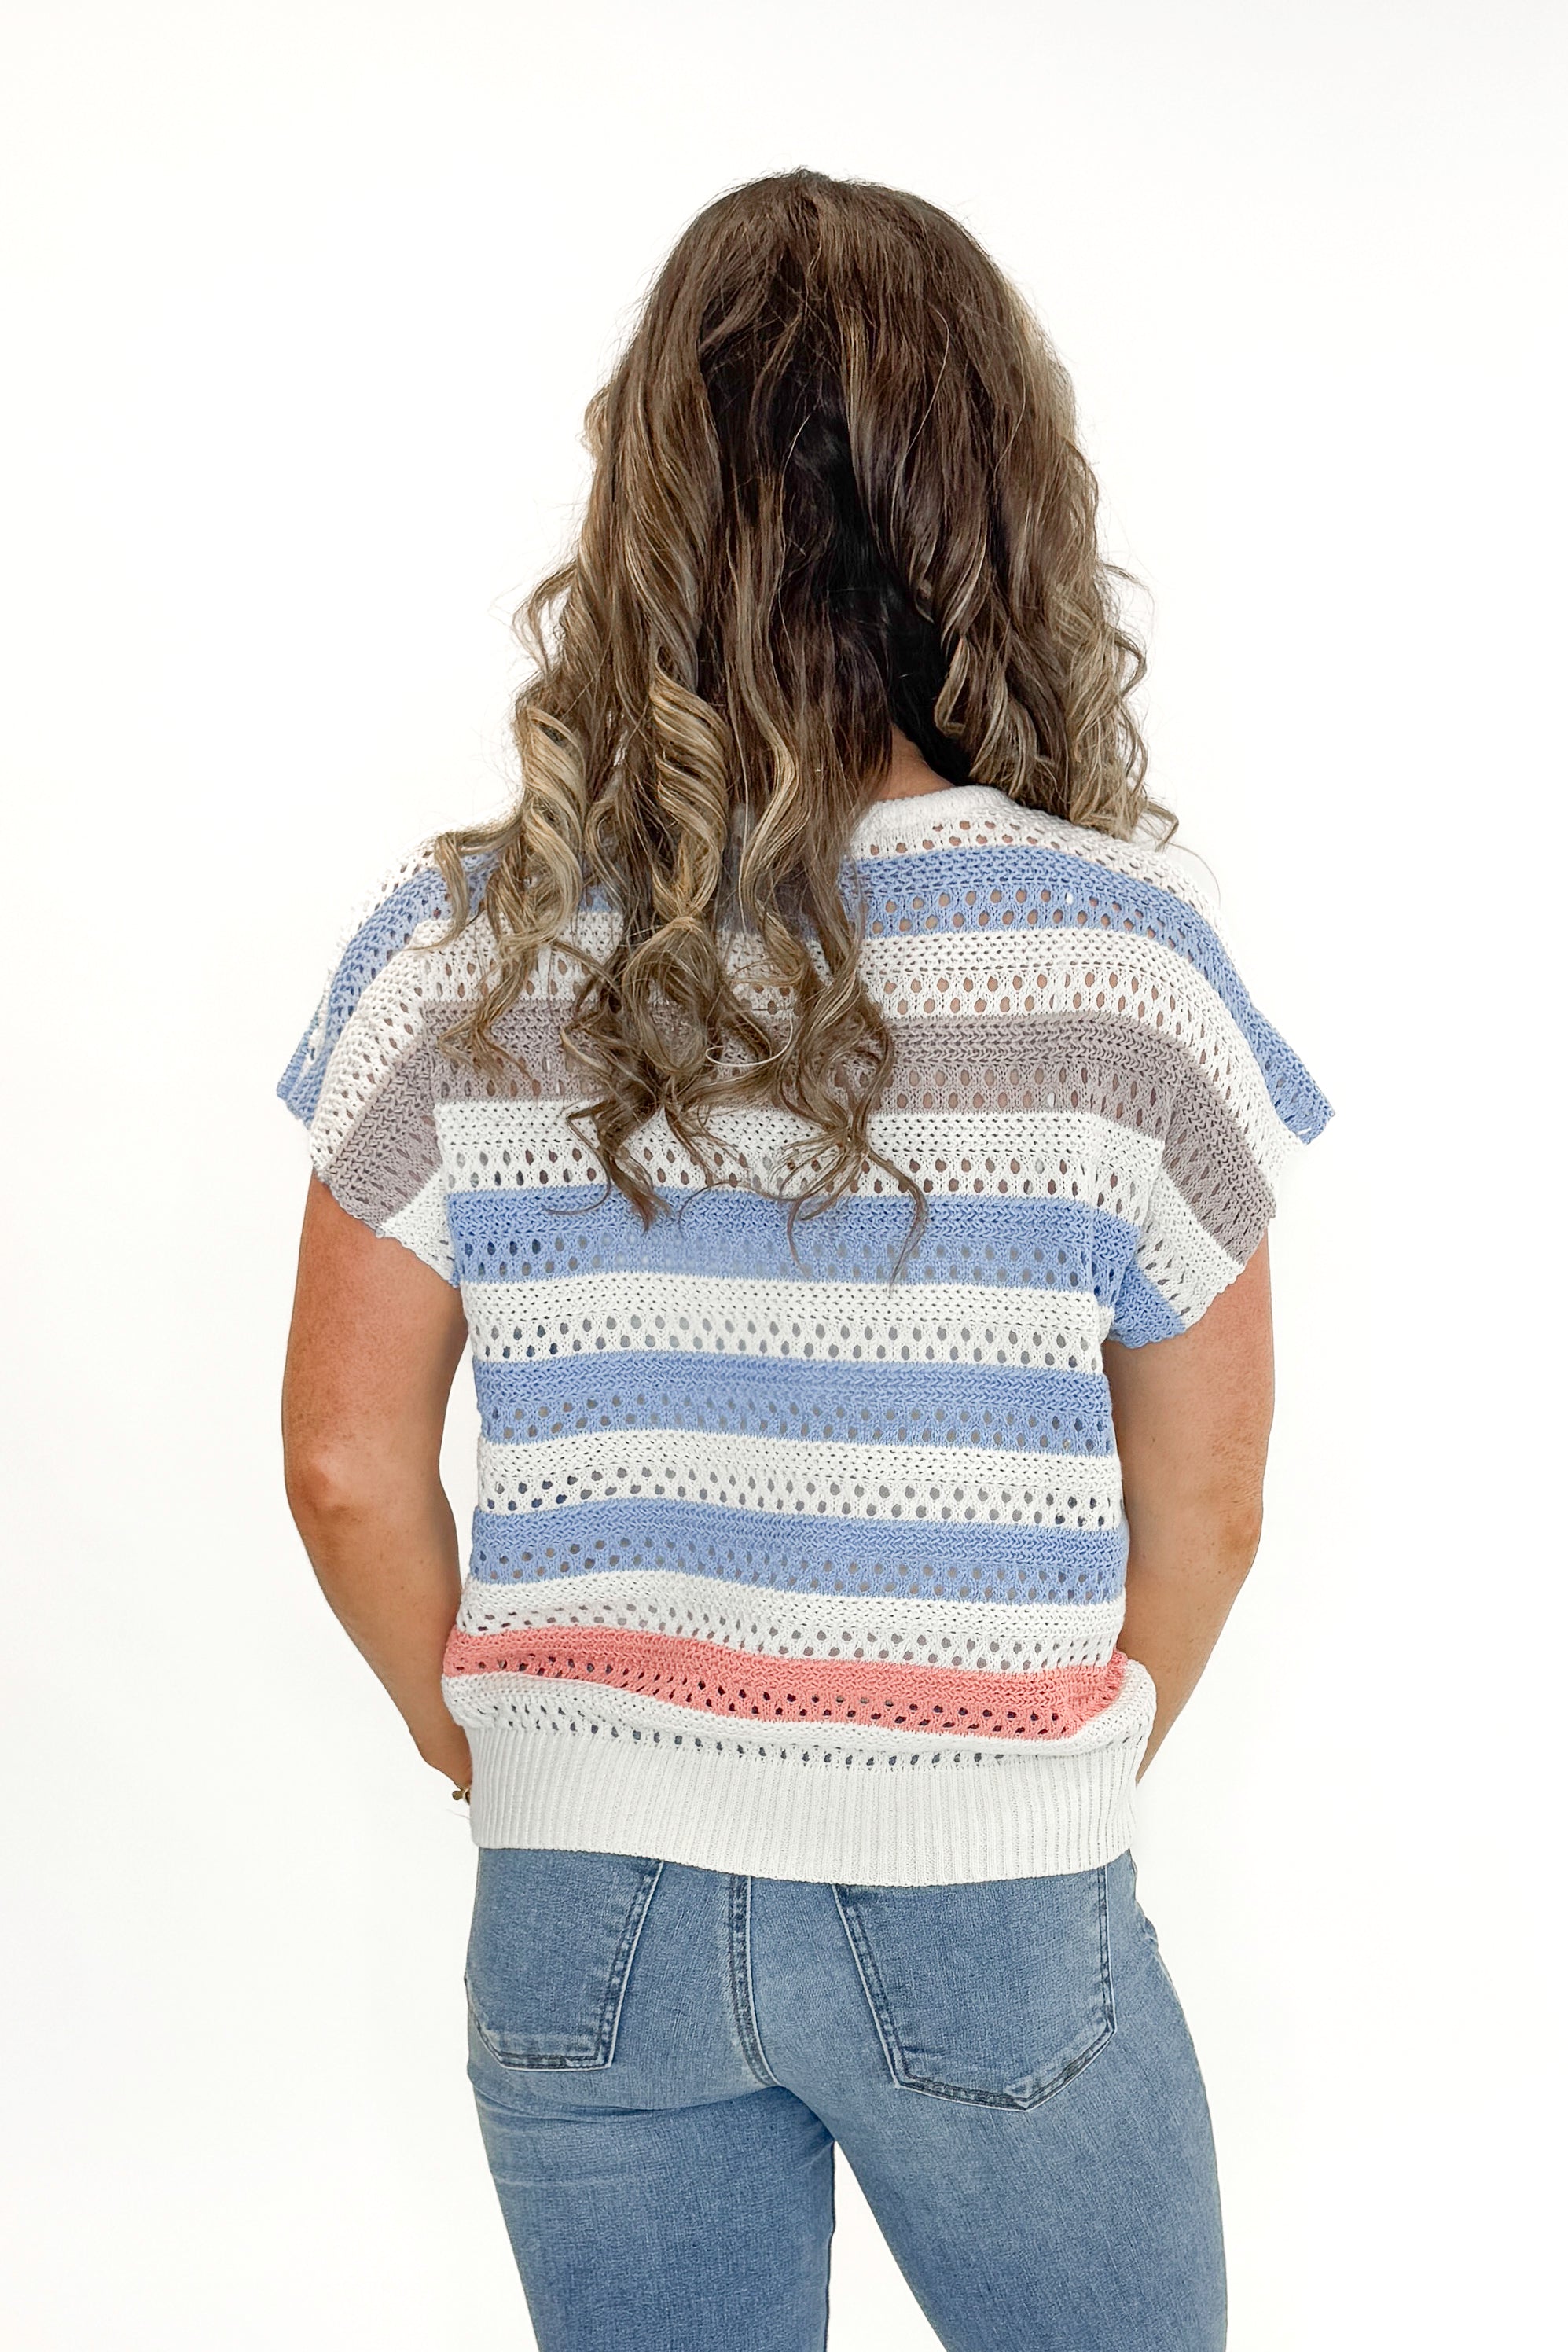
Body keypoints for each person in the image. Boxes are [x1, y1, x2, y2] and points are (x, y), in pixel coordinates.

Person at [279, 169, 1329, 2352]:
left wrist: (494, 1748)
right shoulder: (1118, 959)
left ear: (644, 496)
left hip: (582, 1914)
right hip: (991, 1894)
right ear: (995, 497)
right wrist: (1066, 1754)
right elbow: (1207, 1496)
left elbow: (347, 1470)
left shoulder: (452, 953)